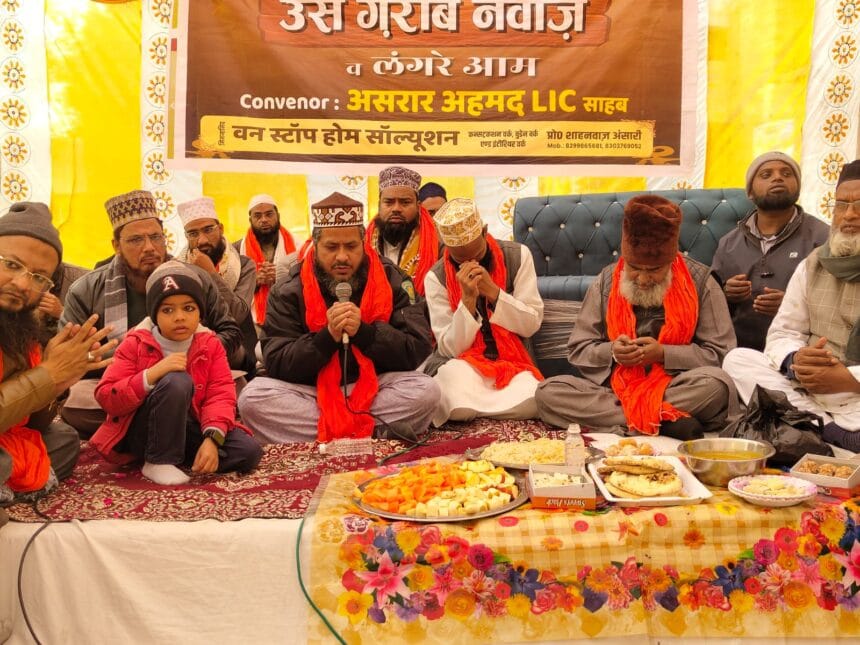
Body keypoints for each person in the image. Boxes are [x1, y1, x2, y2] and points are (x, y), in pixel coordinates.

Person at [535, 195, 742, 440]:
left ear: (670, 261)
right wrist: (613, 352)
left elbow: (721, 354)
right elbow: (579, 349)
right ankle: (665, 421)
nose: (643, 280)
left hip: (676, 385)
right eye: (633, 268)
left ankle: (634, 419)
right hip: (616, 388)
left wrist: (663, 354)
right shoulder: (606, 281)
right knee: (548, 392)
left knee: (716, 386)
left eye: (654, 270)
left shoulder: (701, 282)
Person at [237, 192, 439, 443]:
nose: (342, 256)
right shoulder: (288, 289)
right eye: (331, 247)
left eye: (351, 247)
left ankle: (331, 433)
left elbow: (417, 348)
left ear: (363, 244)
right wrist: (326, 338)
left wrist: (366, 333)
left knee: (426, 391)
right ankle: (373, 431)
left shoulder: (393, 280)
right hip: (311, 391)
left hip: (375, 387)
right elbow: (277, 361)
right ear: (316, 246)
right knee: (252, 399)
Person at [60, 190, 242, 437]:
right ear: (116, 246)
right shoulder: (86, 290)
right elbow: (69, 360)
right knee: (76, 400)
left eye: (156, 237)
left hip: (190, 379)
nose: (149, 248)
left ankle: (137, 430)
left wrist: (192, 354)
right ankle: (183, 427)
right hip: (124, 387)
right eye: (136, 240)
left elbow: (230, 332)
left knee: (237, 386)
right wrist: (143, 367)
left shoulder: (195, 277)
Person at [723, 160, 860, 451]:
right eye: (841, 205)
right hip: (809, 387)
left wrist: (848, 379)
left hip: (855, 392)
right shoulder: (814, 263)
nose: (849, 215)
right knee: (738, 359)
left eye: (859, 205)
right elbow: (783, 332)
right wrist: (795, 361)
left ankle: (809, 425)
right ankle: (830, 429)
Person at [92, 262, 262, 485]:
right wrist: (151, 375)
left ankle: (185, 456)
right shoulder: (135, 342)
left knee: (248, 452)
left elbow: (220, 394)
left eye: (188, 308)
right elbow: (107, 396)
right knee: (177, 381)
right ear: (154, 314)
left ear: (200, 312)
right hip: (142, 430)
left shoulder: (210, 344)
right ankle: (158, 461)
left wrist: (212, 439)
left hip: (188, 427)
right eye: (168, 310)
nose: (179, 317)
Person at [0, 202, 115, 525]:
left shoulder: (19, 325)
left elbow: (32, 424)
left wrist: (59, 382)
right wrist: (46, 375)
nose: (23, 285)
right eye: (11, 264)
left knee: (62, 438)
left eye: (39, 277)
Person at [423, 198, 544, 425]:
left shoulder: (518, 255)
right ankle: (492, 411)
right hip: (466, 366)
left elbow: (531, 323)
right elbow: (450, 349)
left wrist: (494, 293)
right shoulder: (436, 277)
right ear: (446, 248)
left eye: (477, 255)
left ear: (485, 231)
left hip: (514, 363)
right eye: (461, 260)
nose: (471, 264)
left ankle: (476, 413)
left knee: (535, 398)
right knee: (447, 387)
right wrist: (467, 301)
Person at [712, 151, 829, 350]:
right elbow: (708, 304)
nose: (777, 178)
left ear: (798, 187)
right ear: (750, 192)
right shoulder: (728, 243)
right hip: (737, 351)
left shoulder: (824, 238)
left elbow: (838, 304)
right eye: (766, 175)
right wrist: (725, 294)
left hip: (800, 352)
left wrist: (794, 306)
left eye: (786, 174)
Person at [176, 196, 258, 374]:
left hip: (238, 351)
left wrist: (211, 274)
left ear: (220, 229)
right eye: (193, 234)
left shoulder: (244, 265)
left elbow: (238, 313)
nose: (202, 240)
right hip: (189, 353)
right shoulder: (177, 268)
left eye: (208, 230)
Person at [366, 166, 440, 295]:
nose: (396, 209)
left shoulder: (438, 244)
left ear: (418, 206)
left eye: (405, 202)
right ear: (379, 205)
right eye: (389, 202)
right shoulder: (362, 244)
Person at [234, 194, 297, 327]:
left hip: (290, 318)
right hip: (251, 323)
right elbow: (230, 291)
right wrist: (253, 281)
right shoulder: (236, 250)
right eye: (258, 216)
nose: (264, 220)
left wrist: (281, 276)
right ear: (250, 220)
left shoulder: (298, 246)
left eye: (269, 214)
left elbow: (308, 280)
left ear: (278, 216)